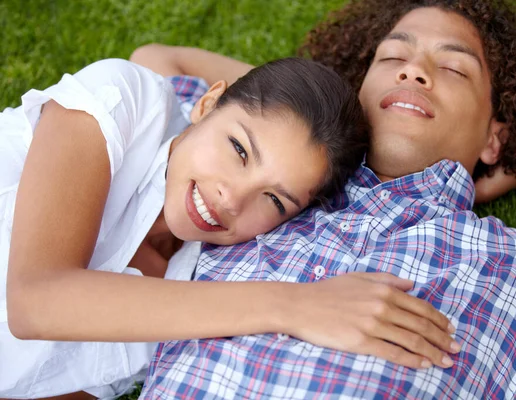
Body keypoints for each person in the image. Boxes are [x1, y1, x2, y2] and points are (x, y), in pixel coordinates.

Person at [135, 0, 516, 399]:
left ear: (494, 135)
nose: (413, 70)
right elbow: (158, 59)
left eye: (455, 68)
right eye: (392, 57)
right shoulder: (262, 185)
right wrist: (321, 111)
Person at [0, 56, 443, 399]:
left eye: (274, 199)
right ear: (208, 103)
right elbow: (35, 299)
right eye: (239, 149)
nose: (231, 199)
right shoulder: (126, 100)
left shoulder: (200, 285)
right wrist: (293, 306)